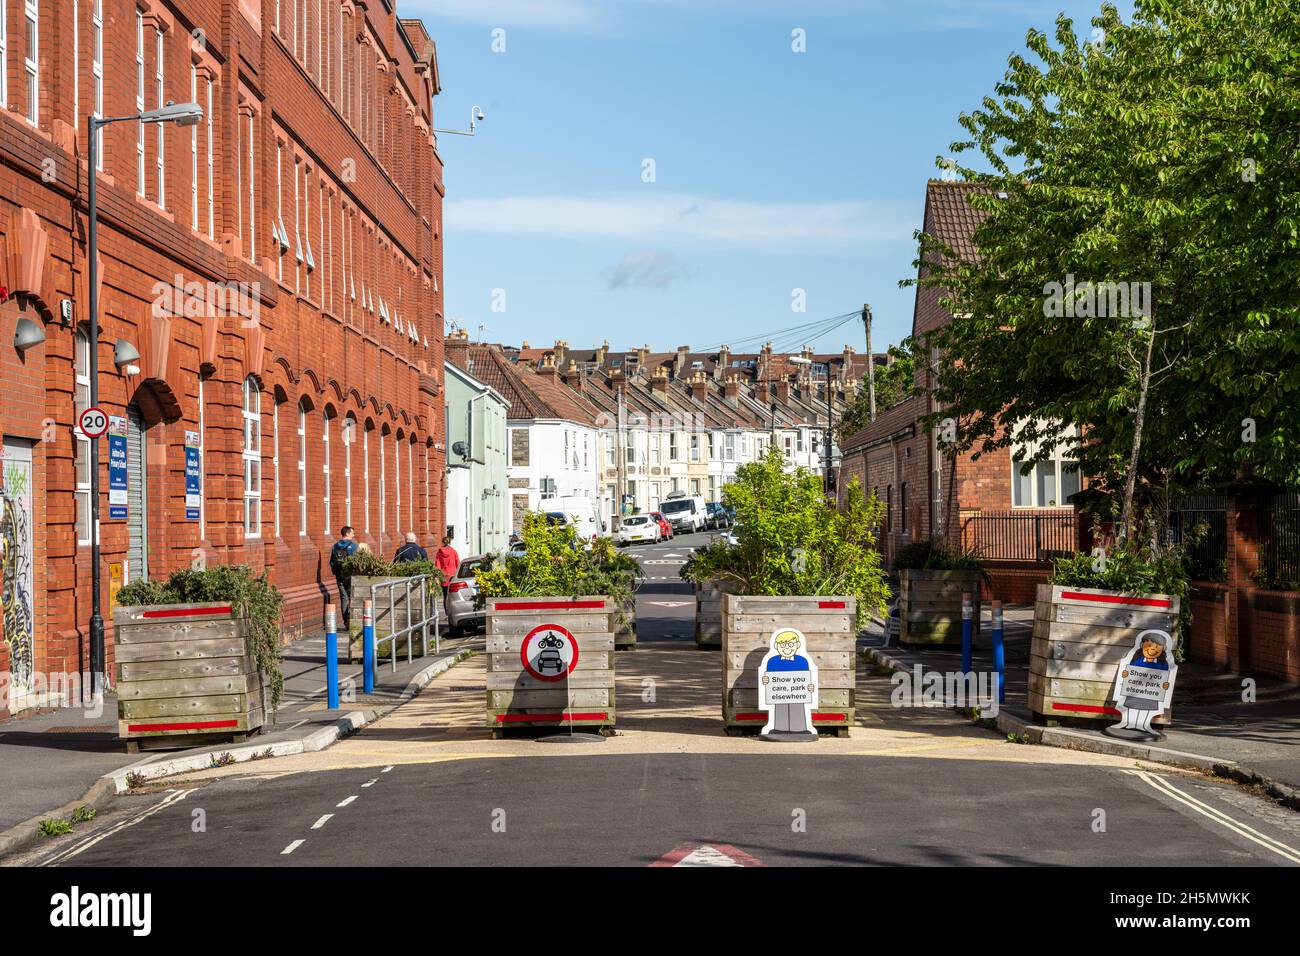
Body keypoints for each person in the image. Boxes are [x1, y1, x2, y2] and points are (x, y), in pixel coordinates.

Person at [328, 526, 358, 628]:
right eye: (352, 533)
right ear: (348, 534)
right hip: (351, 577)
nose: (354, 535)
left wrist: (336, 573)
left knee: (344, 598)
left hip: (339, 576)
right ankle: (353, 621)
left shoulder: (335, 546)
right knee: (353, 597)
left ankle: (346, 622)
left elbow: (331, 562)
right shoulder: (353, 547)